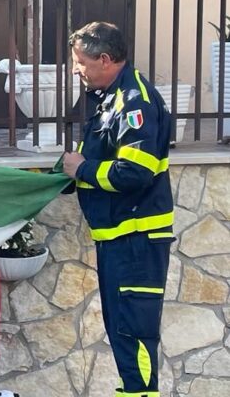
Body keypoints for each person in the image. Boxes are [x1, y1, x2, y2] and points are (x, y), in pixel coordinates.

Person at [62, 22, 174, 397]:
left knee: (134, 334)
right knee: (124, 333)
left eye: (80, 62)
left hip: (136, 241)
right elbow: (100, 159)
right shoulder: (110, 96)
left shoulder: (134, 101)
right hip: (118, 240)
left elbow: (135, 172)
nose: (77, 69)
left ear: (105, 59)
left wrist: (83, 170)